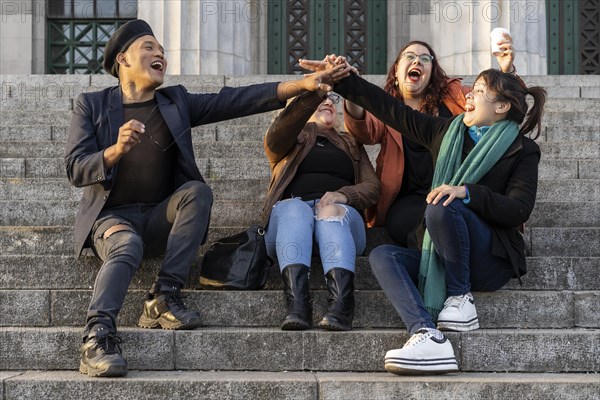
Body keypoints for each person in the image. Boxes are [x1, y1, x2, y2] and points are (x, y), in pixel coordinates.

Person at [65, 19, 347, 378]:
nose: (160, 55)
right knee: (126, 246)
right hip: (112, 217)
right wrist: (114, 151)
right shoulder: (92, 105)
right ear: (122, 59)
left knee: (197, 192)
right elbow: (76, 168)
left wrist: (301, 85)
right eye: (149, 47)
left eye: (162, 51)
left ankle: (164, 296)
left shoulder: (175, 101)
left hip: (158, 217)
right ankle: (97, 336)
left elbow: (235, 100)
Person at [330, 65, 546, 374]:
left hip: (489, 257)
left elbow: (518, 209)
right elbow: (390, 110)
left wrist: (467, 192)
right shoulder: (446, 132)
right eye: (473, 89)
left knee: (442, 204)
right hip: (442, 250)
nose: (469, 95)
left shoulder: (522, 150)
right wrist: (343, 80)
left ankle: (460, 298)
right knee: (383, 254)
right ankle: (426, 334)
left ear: (502, 107)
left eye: (481, 91)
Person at [300, 37, 516, 250]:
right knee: (400, 223)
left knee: (450, 214)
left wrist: (506, 72)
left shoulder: (455, 94)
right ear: (396, 70)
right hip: (410, 197)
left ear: (433, 72)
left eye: (425, 58)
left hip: (454, 187)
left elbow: (494, 102)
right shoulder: (387, 107)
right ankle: (437, 254)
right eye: (410, 56)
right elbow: (364, 131)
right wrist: (351, 87)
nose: (417, 61)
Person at [262, 90, 380, 331]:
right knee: (295, 208)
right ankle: (297, 305)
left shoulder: (350, 142)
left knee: (330, 212)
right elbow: (275, 136)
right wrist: (309, 95)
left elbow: (372, 187)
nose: (327, 101)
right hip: (289, 225)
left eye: (332, 99)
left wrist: (344, 195)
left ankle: (342, 305)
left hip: (341, 222)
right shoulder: (289, 139)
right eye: (319, 99)